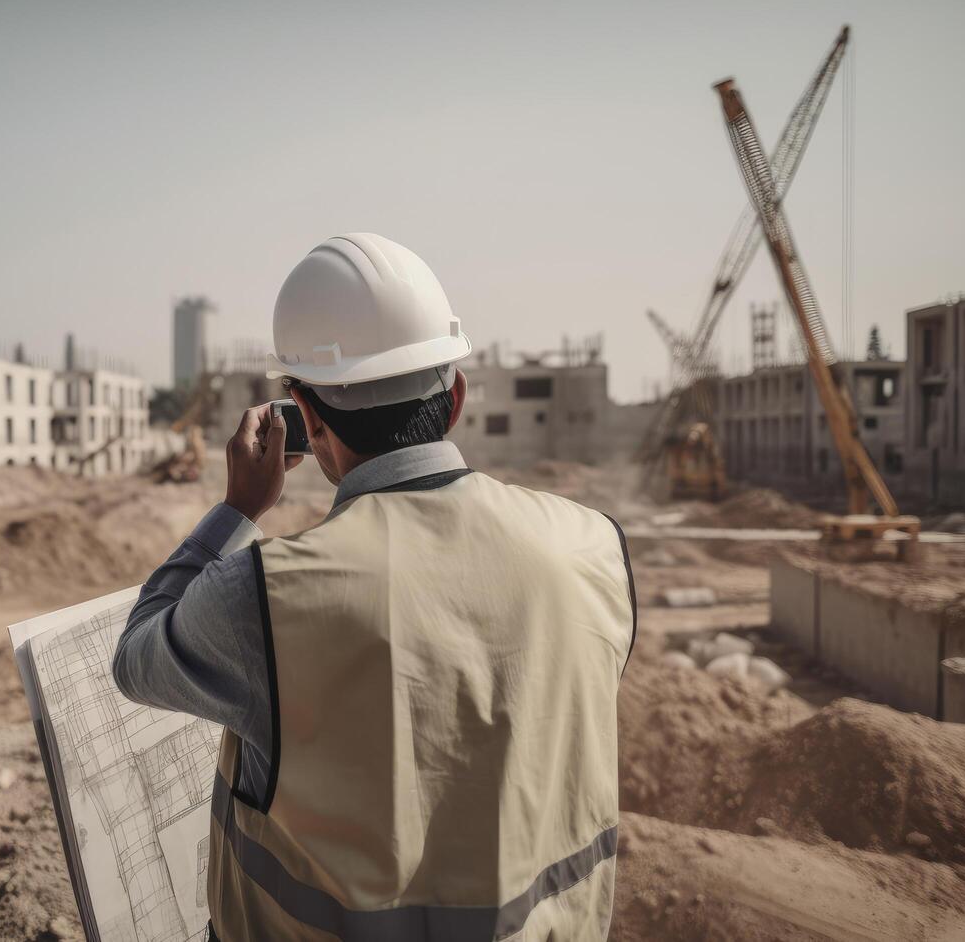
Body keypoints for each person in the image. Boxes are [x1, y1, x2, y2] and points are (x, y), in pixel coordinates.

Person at [114, 233, 636, 941]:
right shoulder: (595, 549)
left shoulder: (264, 596)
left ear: (307, 413)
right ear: (454, 398)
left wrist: (239, 510)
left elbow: (137, 655)